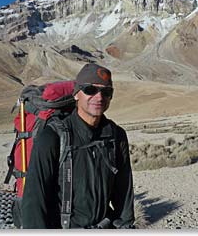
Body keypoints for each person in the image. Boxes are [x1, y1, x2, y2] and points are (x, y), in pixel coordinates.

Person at [21, 63, 135, 229]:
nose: (99, 97)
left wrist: (127, 227)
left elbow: (124, 193)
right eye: (90, 90)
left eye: (106, 92)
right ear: (76, 94)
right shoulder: (53, 137)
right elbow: (34, 200)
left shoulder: (116, 136)